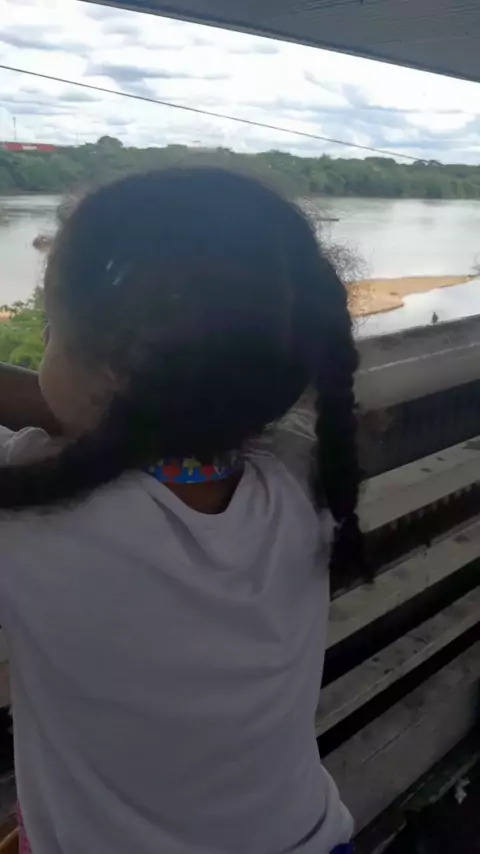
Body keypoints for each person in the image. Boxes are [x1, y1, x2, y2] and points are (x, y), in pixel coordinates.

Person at [0, 167, 364, 854]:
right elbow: (138, 412)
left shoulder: (31, 513)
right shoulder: (303, 479)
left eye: (51, 329)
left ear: (109, 375)